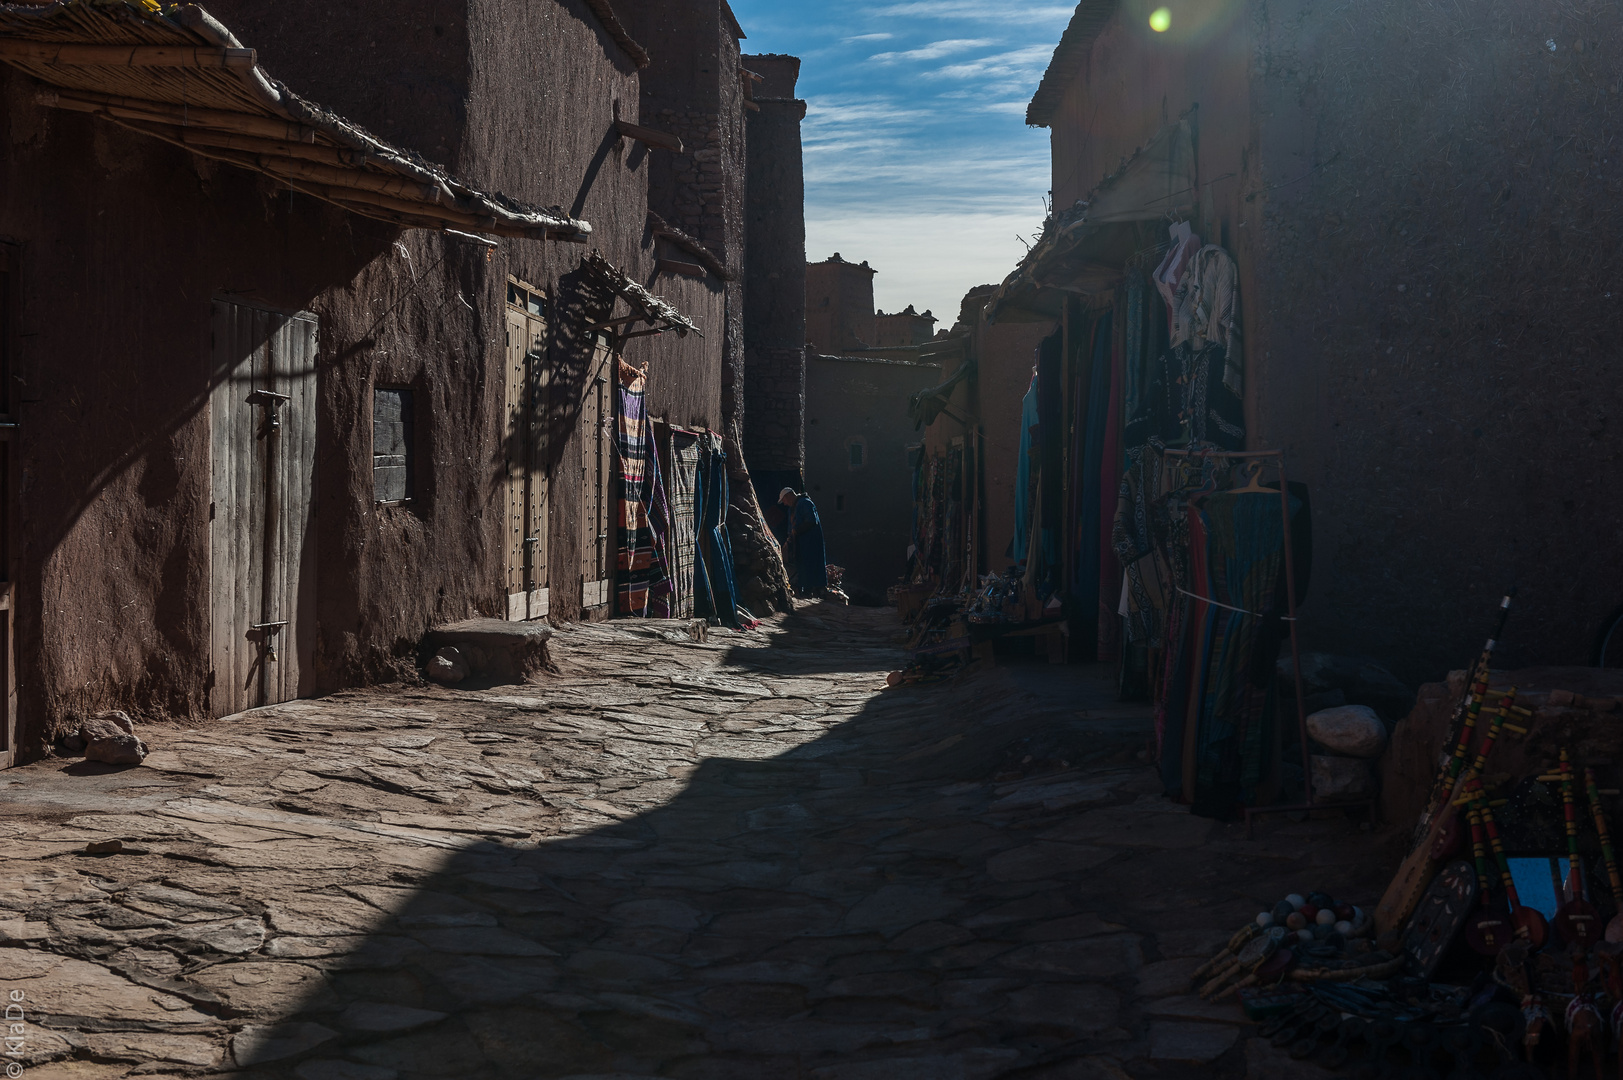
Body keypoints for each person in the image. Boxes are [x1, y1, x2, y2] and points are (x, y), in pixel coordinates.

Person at [777, 487, 828, 597]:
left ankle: (817, 589)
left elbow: (811, 521)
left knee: (812, 563)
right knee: (803, 565)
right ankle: (807, 589)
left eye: (784, 500)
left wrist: (796, 531)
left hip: (811, 541)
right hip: (801, 542)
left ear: (788, 496)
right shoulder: (793, 508)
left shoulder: (805, 503)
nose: (784, 504)